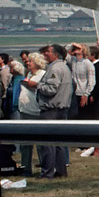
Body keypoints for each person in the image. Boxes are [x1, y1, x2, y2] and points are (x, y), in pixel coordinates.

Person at [36, 43, 74, 179]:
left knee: (48, 143)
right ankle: (61, 170)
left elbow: (51, 89)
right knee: (58, 142)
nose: (45, 54)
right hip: (62, 108)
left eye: (48, 52)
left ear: (56, 54)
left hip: (51, 109)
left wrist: (37, 85)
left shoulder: (55, 68)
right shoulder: (64, 67)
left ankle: (47, 173)